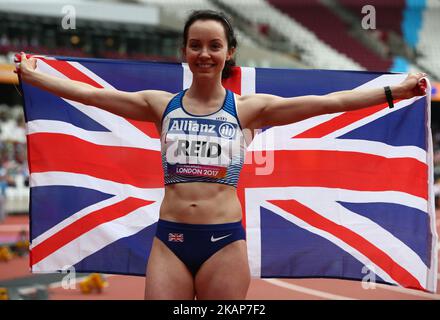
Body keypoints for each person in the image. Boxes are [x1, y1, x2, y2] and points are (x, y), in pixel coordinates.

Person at [15, 10, 427, 300]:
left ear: (229, 52)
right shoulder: (160, 105)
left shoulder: (249, 109)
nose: (204, 54)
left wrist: (394, 91)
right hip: (170, 240)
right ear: (185, 51)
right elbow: (91, 95)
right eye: (196, 46)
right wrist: (35, 76)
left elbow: (331, 101)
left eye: (214, 46)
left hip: (224, 243)